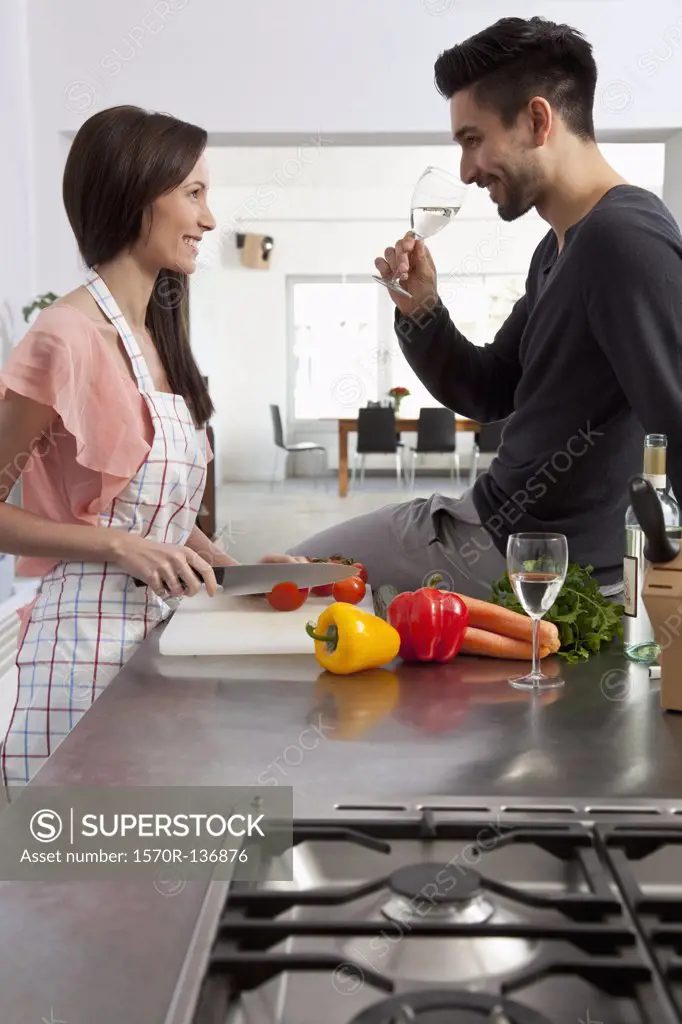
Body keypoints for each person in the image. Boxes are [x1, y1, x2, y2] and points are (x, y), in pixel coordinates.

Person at [287, 16, 682, 600]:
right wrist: (422, 309)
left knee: (287, 572)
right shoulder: (559, 246)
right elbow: (490, 389)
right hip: (493, 525)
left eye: (473, 140)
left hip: (527, 554)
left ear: (538, 120)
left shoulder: (622, 241)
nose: (468, 172)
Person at [0, 105, 304, 795]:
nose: (209, 218)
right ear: (137, 194)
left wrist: (239, 572)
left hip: (164, 641)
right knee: (79, 885)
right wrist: (115, 547)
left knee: (155, 869)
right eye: (193, 194)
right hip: (80, 656)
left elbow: (156, 521)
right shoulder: (64, 337)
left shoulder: (158, 336)